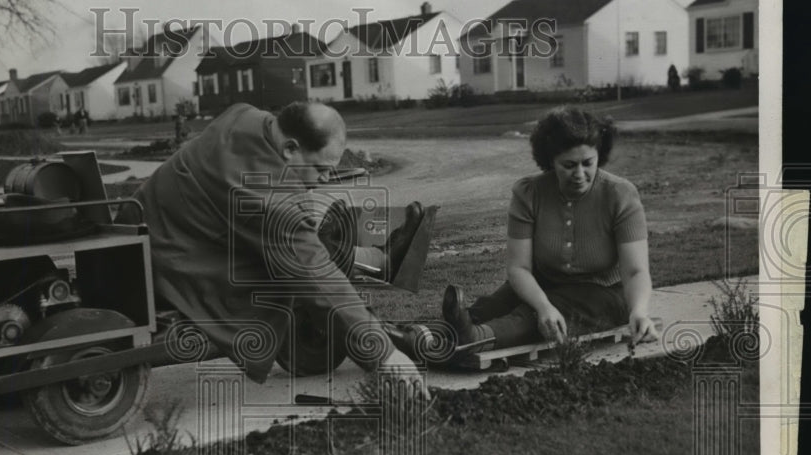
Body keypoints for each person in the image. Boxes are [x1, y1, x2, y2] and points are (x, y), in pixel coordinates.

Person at [119, 101, 424, 386]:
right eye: (319, 169)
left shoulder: (243, 116)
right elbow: (315, 276)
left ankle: (375, 260)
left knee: (307, 245)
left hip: (154, 229)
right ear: (290, 148)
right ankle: (381, 264)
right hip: (173, 264)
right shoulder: (265, 195)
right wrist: (384, 353)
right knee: (308, 259)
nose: (321, 180)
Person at [439, 106, 658, 368]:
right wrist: (542, 304)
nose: (579, 175)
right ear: (550, 161)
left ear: (600, 156)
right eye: (568, 165)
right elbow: (519, 268)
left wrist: (639, 311)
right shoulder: (529, 192)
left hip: (604, 294)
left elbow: (635, 271)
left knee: (539, 314)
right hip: (546, 283)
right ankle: (425, 337)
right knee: (492, 306)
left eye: (588, 163)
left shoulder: (620, 195)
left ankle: (475, 339)